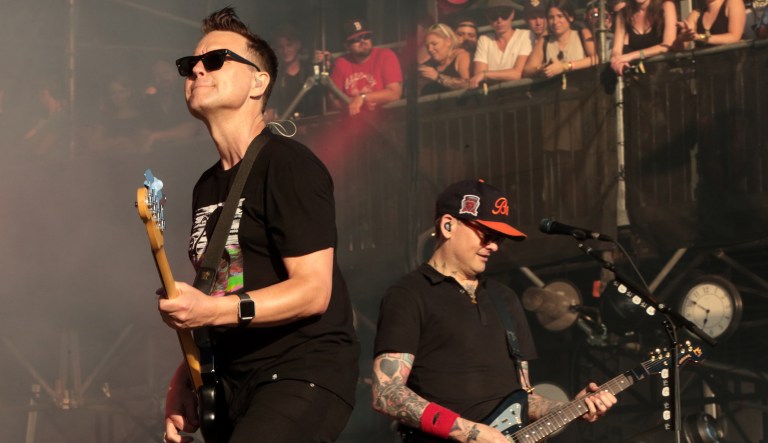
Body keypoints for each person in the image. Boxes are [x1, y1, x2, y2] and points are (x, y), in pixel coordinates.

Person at [159, 7, 359, 443]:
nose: (196, 69)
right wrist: (186, 375)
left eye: (214, 60)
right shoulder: (206, 186)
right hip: (233, 381)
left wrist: (211, 310)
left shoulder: (287, 164)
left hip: (299, 371)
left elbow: (313, 291)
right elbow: (219, 291)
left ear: (259, 81)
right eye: (188, 65)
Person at [371, 179, 617, 443]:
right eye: (486, 235)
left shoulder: (504, 298)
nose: (494, 246)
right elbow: (387, 392)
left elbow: (523, 398)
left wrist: (570, 409)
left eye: (499, 239)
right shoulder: (409, 294)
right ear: (448, 225)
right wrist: (470, 433)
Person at [329, 18, 403, 116]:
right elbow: (332, 100)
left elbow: (395, 93)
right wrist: (355, 104)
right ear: (346, 45)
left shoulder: (385, 55)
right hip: (352, 123)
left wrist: (363, 98)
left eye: (366, 36)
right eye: (356, 39)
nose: (363, 41)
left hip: (384, 119)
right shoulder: (341, 62)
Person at [523, 0, 599, 78]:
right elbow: (527, 70)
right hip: (555, 88)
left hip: (582, 87)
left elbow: (596, 59)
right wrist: (542, 68)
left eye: (560, 16)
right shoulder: (544, 41)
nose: (555, 22)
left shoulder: (582, 34)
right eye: (551, 17)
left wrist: (566, 66)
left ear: (571, 17)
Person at [470, 0, 533, 88]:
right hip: (494, 97)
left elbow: (517, 74)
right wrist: (485, 75)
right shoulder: (484, 39)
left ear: (512, 14)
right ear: (487, 16)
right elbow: (479, 75)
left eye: (504, 14)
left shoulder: (525, 35)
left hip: (521, 93)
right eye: (494, 16)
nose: (499, 20)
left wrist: (485, 74)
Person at [266, 23, 322, 119]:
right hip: (287, 129)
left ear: (298, 45)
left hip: (312, 126)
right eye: (281, 47)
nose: (285, 50)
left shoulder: (310, 71)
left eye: (289, 45)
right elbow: (270, 112)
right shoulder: (275, 78)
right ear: (276, 50)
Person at [610, 0, 677, 75]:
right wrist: (617, 61)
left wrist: (630, 56)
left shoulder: (666, 6)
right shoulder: (623, 13)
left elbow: (668, 45)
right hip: (638, 77)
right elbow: (616, 50)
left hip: (665, 76)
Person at [418, 23, 471, 95]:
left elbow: (468, 84)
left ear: (448, 41)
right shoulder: (431, 64)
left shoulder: (461, 56)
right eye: (427, 46)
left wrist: (438, 77)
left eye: (434, 44)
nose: (430, 49)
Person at [675, 0, 746, 47]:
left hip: (731, 64)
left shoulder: (733, 3)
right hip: (703, 67)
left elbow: (734, 37)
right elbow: (679, 48)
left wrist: (700, 37)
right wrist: (681, 38)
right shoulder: (696, 14)